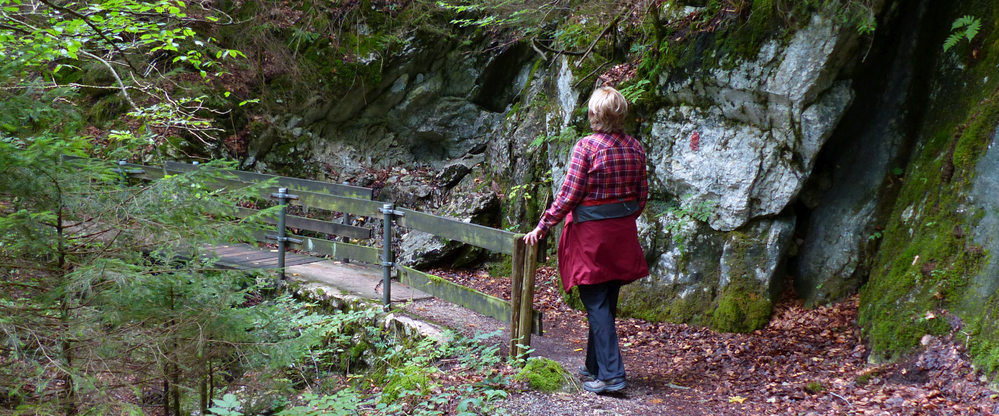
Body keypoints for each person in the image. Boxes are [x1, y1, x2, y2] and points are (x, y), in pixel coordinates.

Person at [523, 86, 649, 394]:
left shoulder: (586, 147)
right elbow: (642, 197)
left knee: (595, 301)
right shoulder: (635, 147)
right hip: (622, 233)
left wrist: (543, 225)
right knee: (606, 300)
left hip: (592, 237)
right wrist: (620, 219)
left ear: (597, 114)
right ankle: (596, 366)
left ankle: (612, 376)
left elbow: (569, 194)